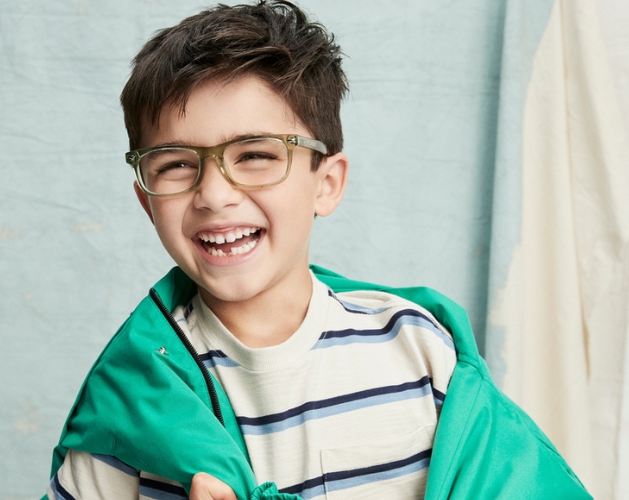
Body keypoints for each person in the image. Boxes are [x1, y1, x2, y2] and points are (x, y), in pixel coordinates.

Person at [44, 2, 590, 499]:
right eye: (176, 164)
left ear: (326, 183)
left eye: (256, 155)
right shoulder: (129, 401)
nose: (213, 194)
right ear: (146, 200)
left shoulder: (420, 354)